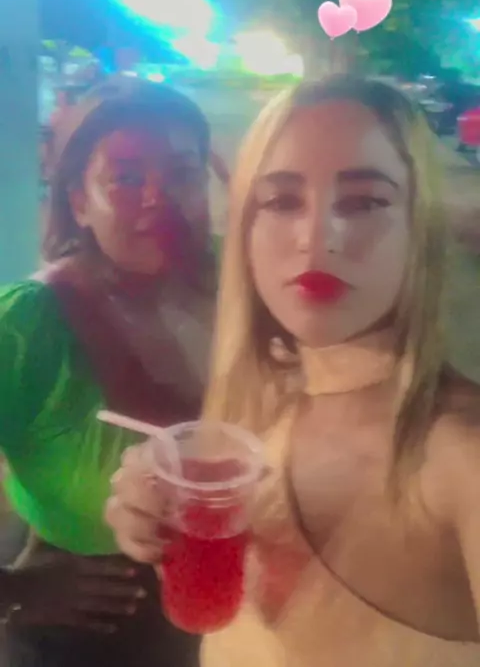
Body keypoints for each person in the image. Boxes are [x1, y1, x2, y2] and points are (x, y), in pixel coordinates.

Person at [107, 75, 480, 666]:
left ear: (420, 231)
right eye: (281, 202)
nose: (315, 237)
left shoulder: (461, 456)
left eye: (364, 201)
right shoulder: (262, 399)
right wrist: (150, 520)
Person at [0, 76, 217, 667]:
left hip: (225, 607)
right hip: (91, 628)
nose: (158, 198)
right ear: (78, 202)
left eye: (183, 173)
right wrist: (15, 593)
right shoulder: (28, 325)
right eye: (125, 177)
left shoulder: (239, 283)